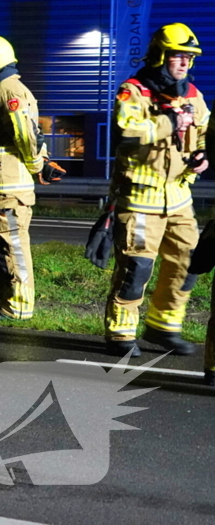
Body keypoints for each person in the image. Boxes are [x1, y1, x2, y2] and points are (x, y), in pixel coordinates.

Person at [104, 22, 208, 358]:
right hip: (140, 198)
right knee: (136, 268)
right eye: (178, 57)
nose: (184, 64)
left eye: (189, 58)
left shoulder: (193, 95)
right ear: (160, 56)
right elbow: (127, 132)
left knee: (189, 262)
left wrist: (202, 155)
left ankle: (164, 326)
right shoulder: (134, 91)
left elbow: (204, 131)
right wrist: (170, 122)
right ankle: (121, 333)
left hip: (179, 197)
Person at [0, 35, 64, 321]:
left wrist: (36, 165)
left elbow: (25, 134)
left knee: (11, 246)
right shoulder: (0, 89)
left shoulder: (7, 89)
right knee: (0, 247)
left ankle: (18, 306)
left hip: (9, 186)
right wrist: (41, 163)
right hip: (1, 185)